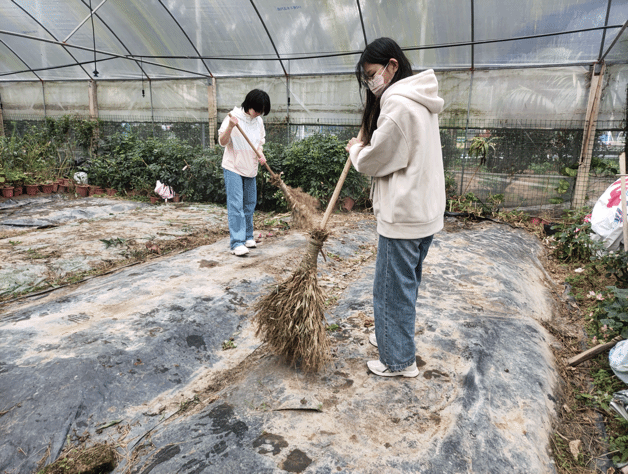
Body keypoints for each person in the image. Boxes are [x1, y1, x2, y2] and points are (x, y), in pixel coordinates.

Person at [345, 37, 446, 377]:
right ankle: (391, 336)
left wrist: (355, 150)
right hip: (423, 212)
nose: (371, 82)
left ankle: (399, 361)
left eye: (372, 73)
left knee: (390, 291)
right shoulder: (420, 99)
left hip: (403, 215)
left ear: (392, 65)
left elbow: (376, 158)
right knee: (404, 287)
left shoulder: (399, 105)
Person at [218, 89, 271, 256]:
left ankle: (248, 236)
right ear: (249, 105)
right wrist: (230, 127)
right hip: (233, 166)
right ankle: (237, 242)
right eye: (257, 110)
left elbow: (259, 143)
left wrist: (260, 154)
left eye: (262, 112)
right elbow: (222, 142)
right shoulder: (233, 117)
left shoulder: (258, 121)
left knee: (249, 204)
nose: (259, 114)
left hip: (250, 167)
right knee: (236, 205)